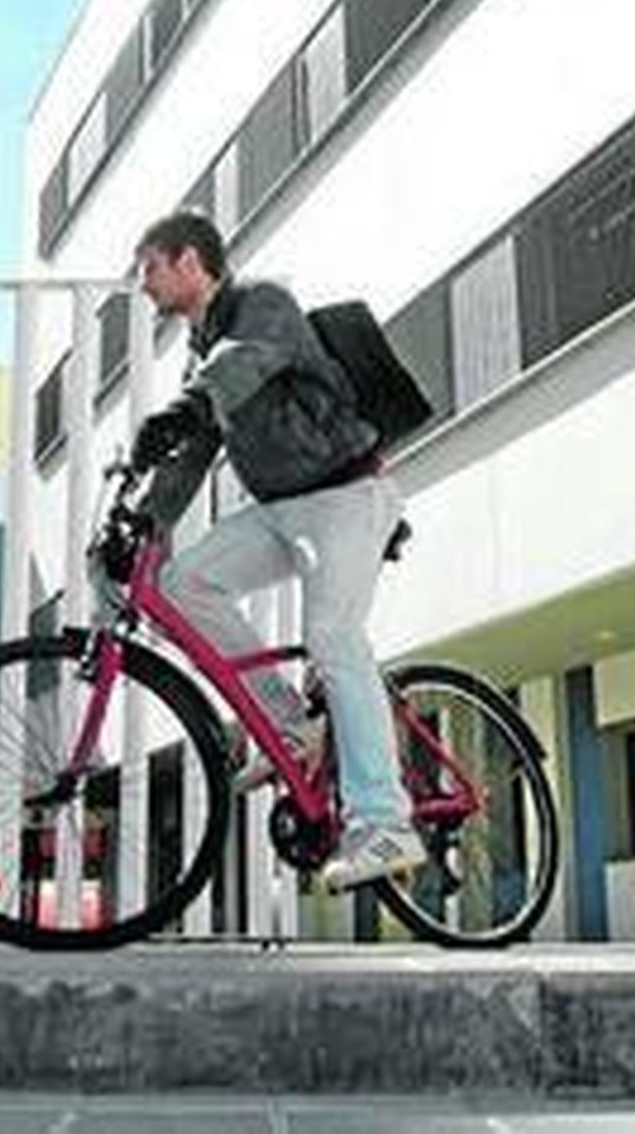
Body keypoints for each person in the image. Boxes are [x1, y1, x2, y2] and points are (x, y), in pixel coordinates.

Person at [129, 209, 424, 893]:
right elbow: (194, 448)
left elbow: (247, 363)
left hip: (347, 495)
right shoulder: (200, 352)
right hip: (281, 507)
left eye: (149, 267)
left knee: (331, 633)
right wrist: (145, 520)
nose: (143, 285)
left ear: (190, 263)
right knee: (181, 584)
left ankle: (384, 825)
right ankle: (292, 723)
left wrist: (187, 407)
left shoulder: (264, 304)